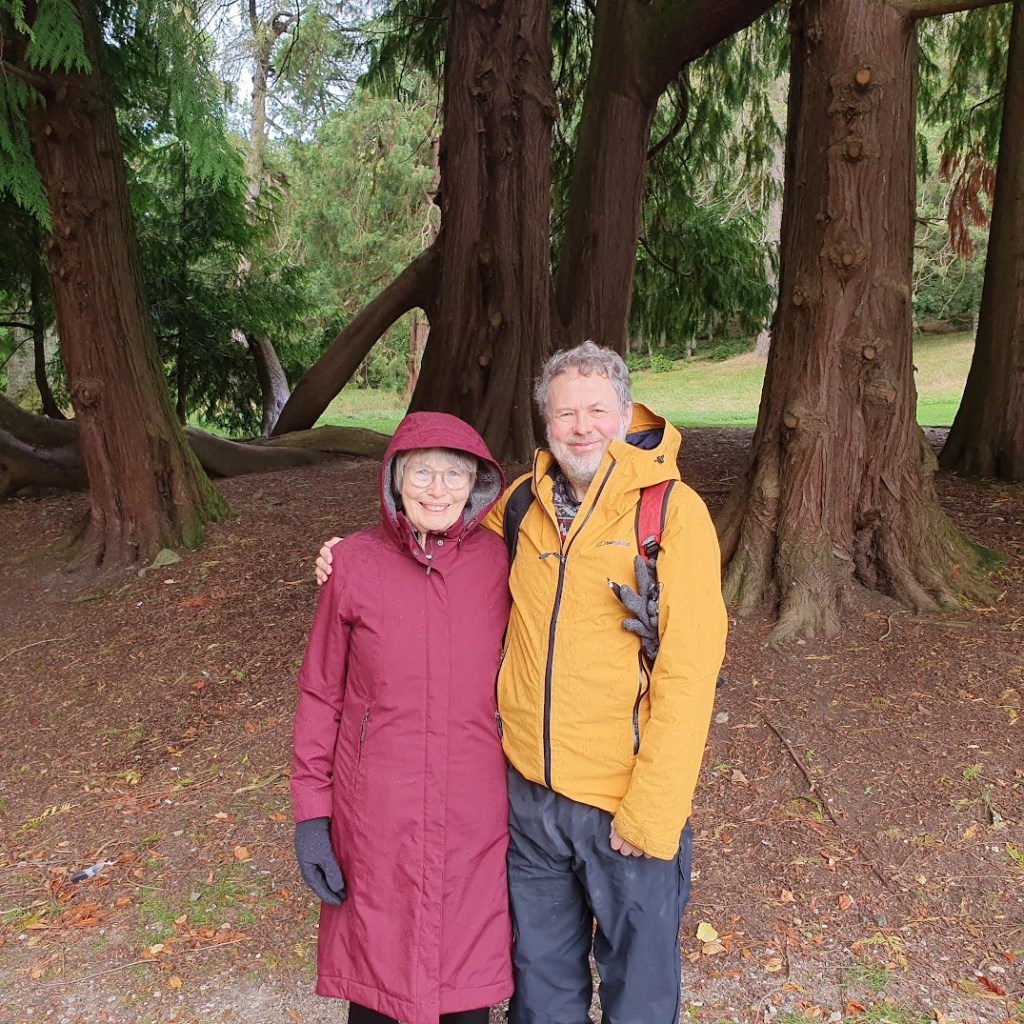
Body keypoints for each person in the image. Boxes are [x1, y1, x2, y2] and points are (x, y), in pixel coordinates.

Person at [317, 342, 728, 1024]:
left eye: (598, 410)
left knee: (640, 1000)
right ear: (546, 423)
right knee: (542, 998)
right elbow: (428, 532)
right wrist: (344, 558)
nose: (582, 426)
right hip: (531, 808)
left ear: (626, 415)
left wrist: (652, 813)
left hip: (623, 803)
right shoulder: (519, 507)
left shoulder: (671, 516)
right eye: (565, 412)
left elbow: (688, 674)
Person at [292, 412, 513, 1024]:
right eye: (422, 472)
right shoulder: (352, 565)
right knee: (379, 987)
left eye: (454, 474)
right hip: (377, 818)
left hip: (474, 813)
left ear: (476, 487)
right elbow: (320, 695)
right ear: (396, 481)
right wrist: (313, 815)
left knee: (466, 987)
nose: (437, 489)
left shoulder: (502, 563)